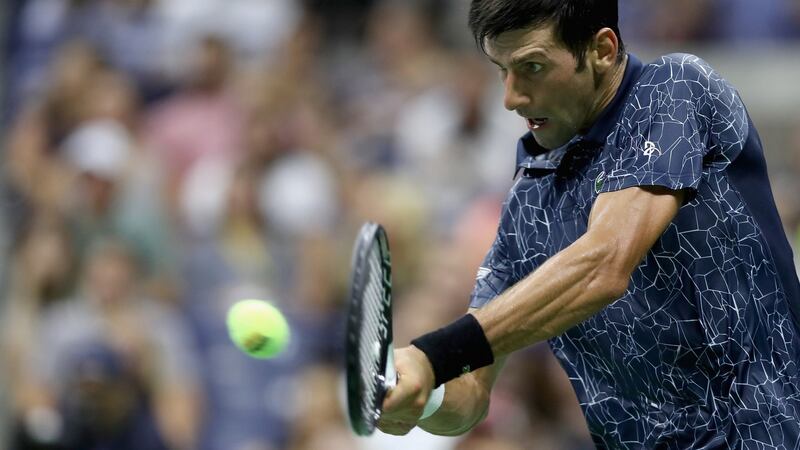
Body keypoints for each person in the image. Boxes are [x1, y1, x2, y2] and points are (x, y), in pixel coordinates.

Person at [377, 0, 800, 448]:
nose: (511, 98)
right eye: (501, 69)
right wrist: (420, 392)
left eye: (533, 67)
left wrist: (437, 354)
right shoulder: (529, 199)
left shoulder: (675, 89)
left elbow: (605, 263)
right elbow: (471, 391)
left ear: (601, 49)